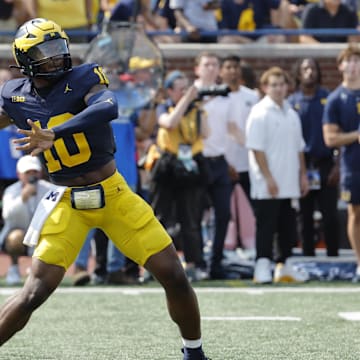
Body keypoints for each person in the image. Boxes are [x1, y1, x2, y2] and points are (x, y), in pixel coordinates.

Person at [0, 18, 209, 360]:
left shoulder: (83, 77)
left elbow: (106, 106)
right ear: (25, 58)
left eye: (59, 47)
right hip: (65, 201)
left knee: (173, 274)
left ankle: (194, 352)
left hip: (112, 193)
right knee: (33, 293)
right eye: (46, 51)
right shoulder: (15, 96)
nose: (57, 56)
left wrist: (57, 132)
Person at [246, 66, 309, 284]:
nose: (278, 89)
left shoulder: (291, 113)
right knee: (266, 225)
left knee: (287, 225)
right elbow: (256, 148)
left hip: (290, 180)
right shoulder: (259, 112)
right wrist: (268, 177)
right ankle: (262, 264)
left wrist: (303, 175)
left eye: (282, 84)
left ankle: (285, 265)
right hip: (267, 184)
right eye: (273, 85)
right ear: (265, 87)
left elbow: (299, 148)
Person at [150, 70, 210, 282]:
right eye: (181, 89)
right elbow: (169, 123)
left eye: (188, 88)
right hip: (167, 166)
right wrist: (186, 100)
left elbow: (205, 133)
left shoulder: (195, 110)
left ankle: (194, 263)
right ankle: (158, 264)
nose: (186, 92)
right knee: (161, 218)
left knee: (190, 219)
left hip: (190, 167)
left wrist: (197, 106)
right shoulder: (164, 107)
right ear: (170, 91)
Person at [288, 57, 340, 257]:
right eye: (305, 68)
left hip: (326, 163)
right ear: (299, 74)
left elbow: (338, 130)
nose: (310, 72)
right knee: (305, 214)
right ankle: (308, 256)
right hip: (303, 165)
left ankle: (333, 256)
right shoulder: (292, 102)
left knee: (330, 216)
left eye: (313, 68)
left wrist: (338, 165)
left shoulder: (328, 98)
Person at [193, 52, 234, 279]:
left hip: (219, 161)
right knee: (196, 214)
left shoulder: (225, 95)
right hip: (198, 161)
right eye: (206, 64)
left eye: (214, 64)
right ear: (197, 68)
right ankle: (199, 263)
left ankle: (216, 263)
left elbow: (232, 127)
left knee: (223, 214)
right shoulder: (191, 93)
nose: (210, 68)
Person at [323, 44, 360, 282]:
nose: (354, 66)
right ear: (341, 66)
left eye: (357, 61)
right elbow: (330, 138)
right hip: (353, 165)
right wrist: (356, 135)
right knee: (355, 213)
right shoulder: (336, 99)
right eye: (350, 61)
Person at [0, 155, 55, 285]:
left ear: (40, 173)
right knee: (14, 238)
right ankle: (14, 268)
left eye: (34, 171)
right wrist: (23, 198)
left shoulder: (50, 189)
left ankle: (41, 271)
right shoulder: (11, 190)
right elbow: (8, 215)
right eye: (27, 172)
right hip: (21, 234)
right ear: (19, 174)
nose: (32, 175)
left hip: (43, 233)